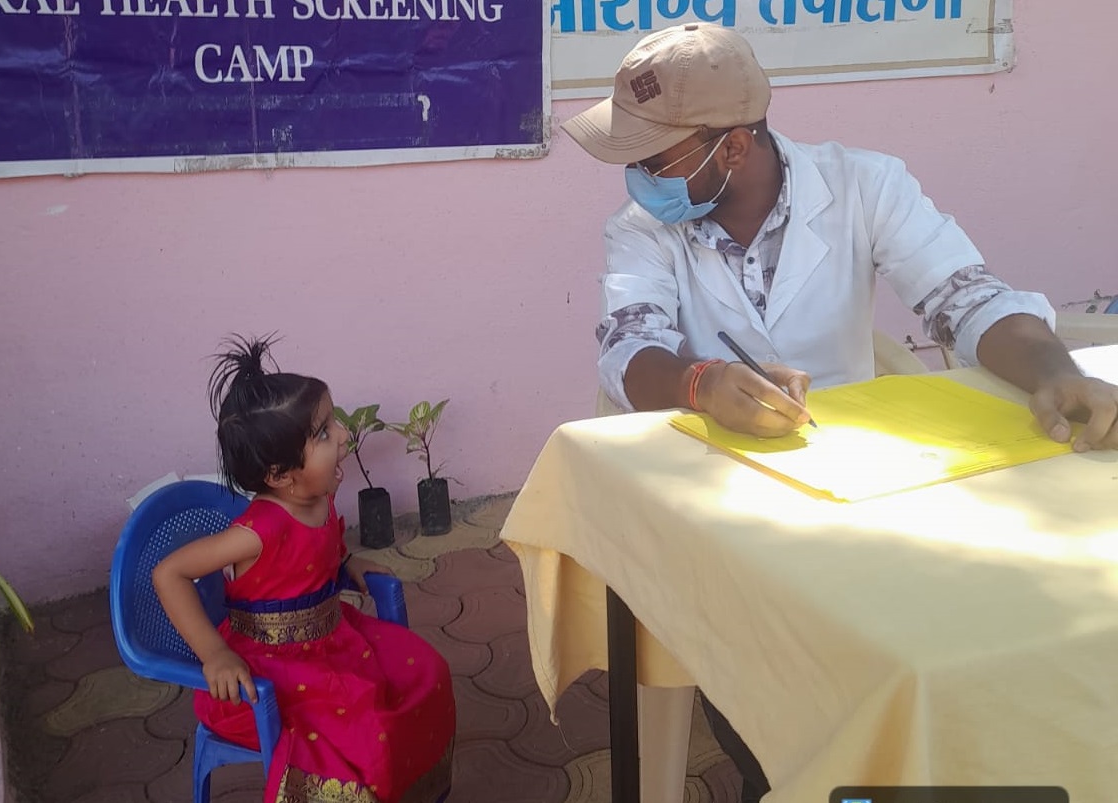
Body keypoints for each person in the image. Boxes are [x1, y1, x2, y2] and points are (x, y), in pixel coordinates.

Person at [561, 22, 1118, 802]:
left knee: (935, 644)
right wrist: (700, 383)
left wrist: (1056, 372)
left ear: (732, 146)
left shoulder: (864, 185)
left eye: (654, 159)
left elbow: (965, 299)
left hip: (860, 478)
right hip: (721, 492)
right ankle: (784, 765)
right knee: (765, 679)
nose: (637, 177)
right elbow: (628, 346)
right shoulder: (643, 229)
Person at [153, 336, 455, 803]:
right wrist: (214, 654)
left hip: (333, 640)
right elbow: (168, 573)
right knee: (366, 729)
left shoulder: (320, 496)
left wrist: (347, 561)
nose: (343, 435)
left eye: (332, 423)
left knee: (428, 673)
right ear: (279, 475)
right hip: (269, 674)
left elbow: (319, 550)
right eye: (323, 433)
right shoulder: (259, 530)